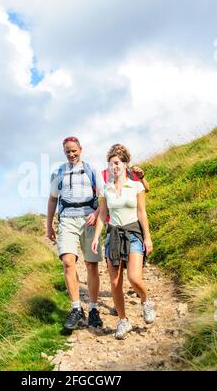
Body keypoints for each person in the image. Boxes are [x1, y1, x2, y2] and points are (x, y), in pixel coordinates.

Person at [91, 144, 156, 340]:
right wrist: (96, 237)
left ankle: (146, 302)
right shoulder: (106, 189)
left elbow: (141, 212)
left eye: (117, 163)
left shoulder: (136, 185)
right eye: (111, 164)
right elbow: (103, 215)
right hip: (113, 235)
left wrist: (147, 237)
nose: (114, 167)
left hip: (134, 233)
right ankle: (123, 321)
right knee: (115, 282)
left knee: (134, 278)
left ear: (125, 164)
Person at [47, 136, 105, 330]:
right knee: (67, 262)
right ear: (64, 152)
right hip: (67, 220)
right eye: (67, 151)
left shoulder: (92, 170)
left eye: (74, 150)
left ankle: (94, 309)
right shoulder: (59, 173)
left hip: (89, 218)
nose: (71, 154)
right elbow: (53, 200)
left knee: (91, 264)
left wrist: (96, 214)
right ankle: (76, 308)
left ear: (81, 149)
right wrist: (49, 225)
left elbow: (103, 199)